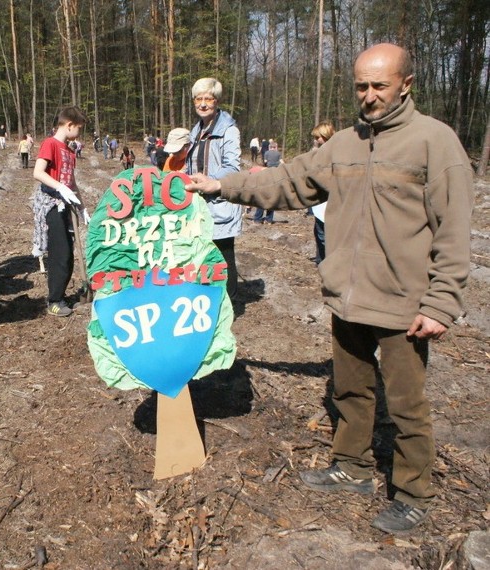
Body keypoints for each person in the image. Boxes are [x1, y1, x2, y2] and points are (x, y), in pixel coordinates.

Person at [184, 43, 473, 533]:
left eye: (379, 86)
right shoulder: (344, 144)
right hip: (348, 295)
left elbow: (453, 228)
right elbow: (287, 182)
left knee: (405, 404)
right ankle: (353, 467)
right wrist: (220, 186)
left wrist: (442, 303)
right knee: (351, 389)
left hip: (403, 302)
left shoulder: (434, 142)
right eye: (361, 86)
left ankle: (414, 491)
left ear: (406, 84)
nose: (369, 96)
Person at [183, 77, 242, 299]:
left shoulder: (229, 130)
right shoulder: (196, 130)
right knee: (202, 256)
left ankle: (229, 305)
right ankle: (207, 300)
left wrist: (209, 181)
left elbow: (232, 167)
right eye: (199, 99)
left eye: (208, 98)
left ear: (216, 101)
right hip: (199, 205)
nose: (203, 104)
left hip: (219, 204)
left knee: (223, 257)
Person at [31, 106, 90, 317]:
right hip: (51, 204)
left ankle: (61, 295)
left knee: (67, 253)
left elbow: (71, 183)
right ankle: (54, 300)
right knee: (60, 253)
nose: (79, 134)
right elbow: (38, 172)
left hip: (66, 204)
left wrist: (82, 208)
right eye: (79, 129)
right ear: (69, 125)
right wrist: (59, 187)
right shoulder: (50, 144)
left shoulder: (69, 150)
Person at [309, 122, 335, 264]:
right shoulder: (321, 150)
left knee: (323, 234)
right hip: (320, 203)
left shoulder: (330, 151)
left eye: (318, 137)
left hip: (327, 202)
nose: (316, 140)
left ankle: (328, 262)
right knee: (318, 232)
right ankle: (321, 259)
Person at [251, 142, 282, 223]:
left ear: (269, 147)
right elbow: (282, 162)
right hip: (276, 174)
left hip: (267, 174)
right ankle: (269, 219)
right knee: (272, 198)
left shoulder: (267, 153)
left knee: (263, 196)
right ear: (275, 147)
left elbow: (265, 161)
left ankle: (257, 219)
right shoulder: (278, 153)